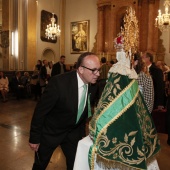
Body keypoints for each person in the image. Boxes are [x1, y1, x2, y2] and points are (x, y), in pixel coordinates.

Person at [29, 52, 101, 170]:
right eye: (94, 70)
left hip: (73, 133)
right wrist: (34, 138)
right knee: (40, 165)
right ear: (81, 69)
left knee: (75, 164)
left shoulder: (93, 86)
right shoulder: (59, 83)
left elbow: (84, 111)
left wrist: (82, 136)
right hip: (51, 132)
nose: (97, 74)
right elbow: (40, 111)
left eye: (99, 70)